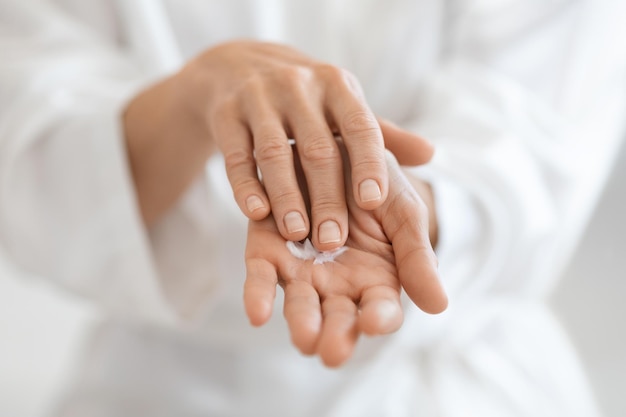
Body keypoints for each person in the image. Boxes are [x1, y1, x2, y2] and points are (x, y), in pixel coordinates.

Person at [0, 1, 624, 416]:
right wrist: (193, 98)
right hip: (158, 393)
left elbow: (537, 146)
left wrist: (398, 209)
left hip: (463, 392)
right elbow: (29, 145)